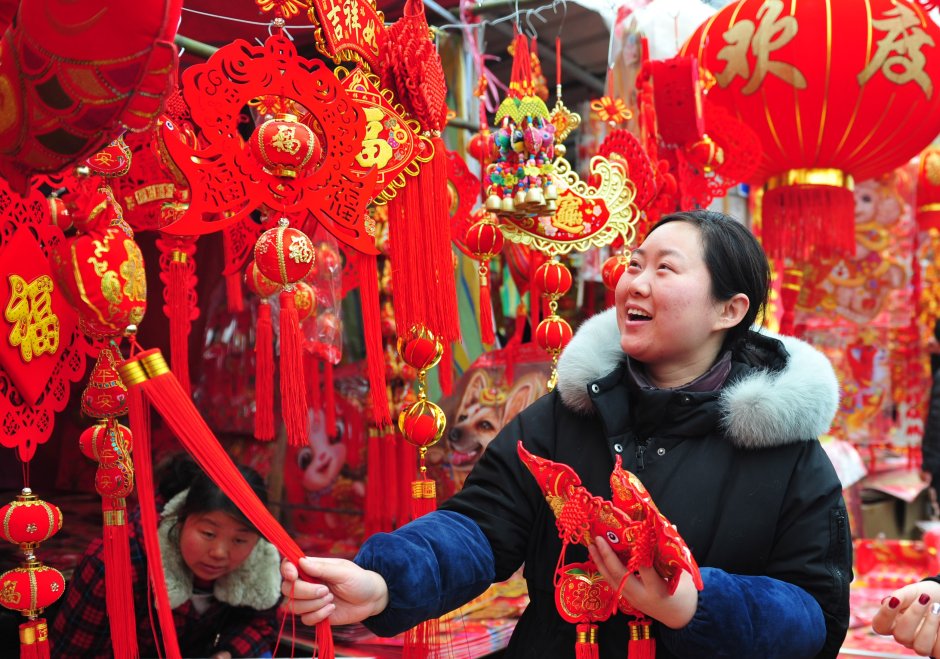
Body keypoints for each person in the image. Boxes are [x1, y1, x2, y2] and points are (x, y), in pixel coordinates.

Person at [281, 210, 852, 658]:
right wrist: (384, 581)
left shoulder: (788, 453)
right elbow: (479, 528)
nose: (636, 283)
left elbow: (816, 619)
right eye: (634, 263)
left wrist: (698, 604)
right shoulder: (562, 416)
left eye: (665, 269)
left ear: (728, 309)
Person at [53, 455, 282, 658]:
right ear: (180, 518)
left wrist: (226, 653)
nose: (219, 553)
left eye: (239, 540)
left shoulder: (259, 560)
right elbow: (73, 653)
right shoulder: (113, 564)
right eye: (208, 533)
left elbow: (261, 623)